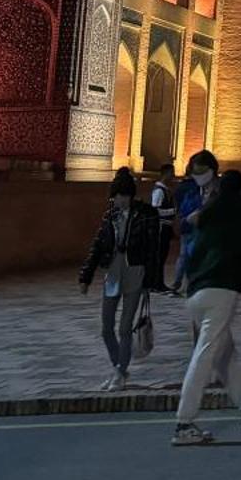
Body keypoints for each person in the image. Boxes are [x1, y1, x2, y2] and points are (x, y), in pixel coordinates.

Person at [171, 170, 241, 445]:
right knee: (205, 354)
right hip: (220, 290)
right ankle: (184, 422)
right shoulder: (237, 214)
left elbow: (192, 251)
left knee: (223, 354)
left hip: (195, 293)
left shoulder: (209, 213)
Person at [78, 167, 156, 391]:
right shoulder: (110, 216)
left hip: (134, 273)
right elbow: (98, 246)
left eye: (123, 196)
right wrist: (86, 275)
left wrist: (150, 281)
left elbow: (152, 249)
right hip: (113, 273)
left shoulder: (145, 215)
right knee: (106, 327)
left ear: (130, 195)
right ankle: (117, 366)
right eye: (116, 196)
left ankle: (120, 373)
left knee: (124, 328)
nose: (119, 200)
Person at [172, 151, 217, 293]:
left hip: (212, 234)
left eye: (202, 172)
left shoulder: (221, 190)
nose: (199, 176)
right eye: (195, 172)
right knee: (187, 256)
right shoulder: (192, 190)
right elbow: (182, 210)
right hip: (192, 231)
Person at [148, 161, 179, 292]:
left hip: (166, 227)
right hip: (161, 227)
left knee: (161, 256)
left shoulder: (164, 190)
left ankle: (158, 282)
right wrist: (173, 211)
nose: (173, 176)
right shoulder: (159, 191)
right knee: (159, 256)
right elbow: (155, 210)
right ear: (166, 174)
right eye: (172, 173)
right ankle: (156, 283)